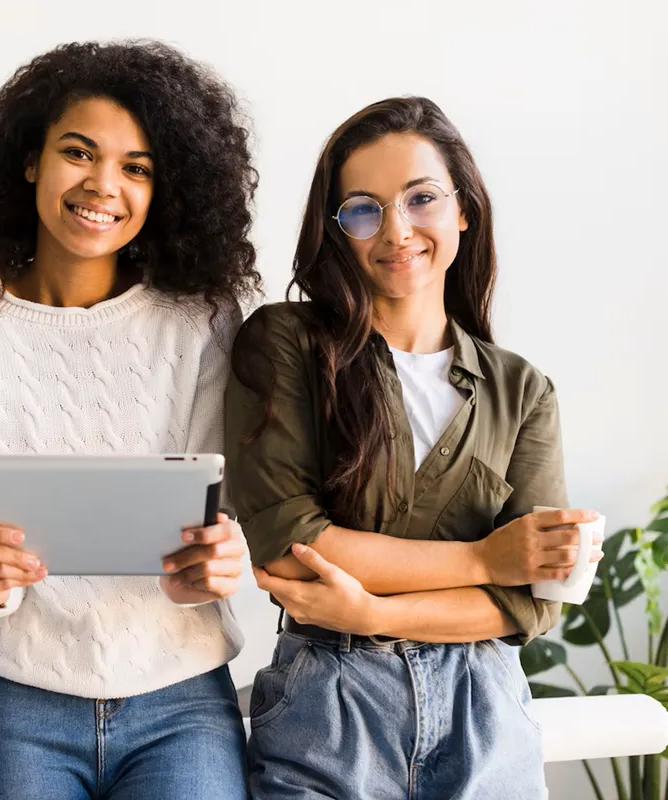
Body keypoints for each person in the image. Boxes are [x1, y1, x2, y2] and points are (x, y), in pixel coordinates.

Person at [225, 95, 602, 799]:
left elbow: (536, 598)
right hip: (329, 707)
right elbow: (289, 544)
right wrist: (485, 560)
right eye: (363, 208)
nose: (395, 230)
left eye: (421, 198)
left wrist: (375, 614)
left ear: (463, 209)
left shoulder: (522, 390)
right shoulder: (285, 344)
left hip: (484, 708)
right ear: (337, 232)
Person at [0, 40, 261, 800]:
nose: (103, 185)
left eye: (136, 167)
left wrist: (222, 558)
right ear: (29, 161)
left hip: (180, 695)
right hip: (16, 696)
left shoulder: (202, 322)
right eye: (78, 153)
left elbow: (226, 504)